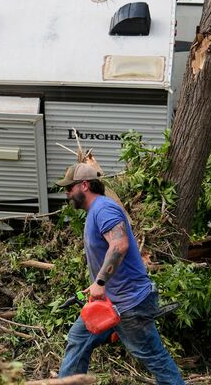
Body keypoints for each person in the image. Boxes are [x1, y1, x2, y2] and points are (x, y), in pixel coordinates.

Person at [56, 162, 184, 385]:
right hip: (108, 303)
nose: (67, 193)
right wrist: (97, 284)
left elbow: (119, 245)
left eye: (70, 188)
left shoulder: (104, 209)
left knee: (155, 358)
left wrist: (101, 281)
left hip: (129, 304)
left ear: (84, 185)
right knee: (78, 339)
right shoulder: (95, 211)